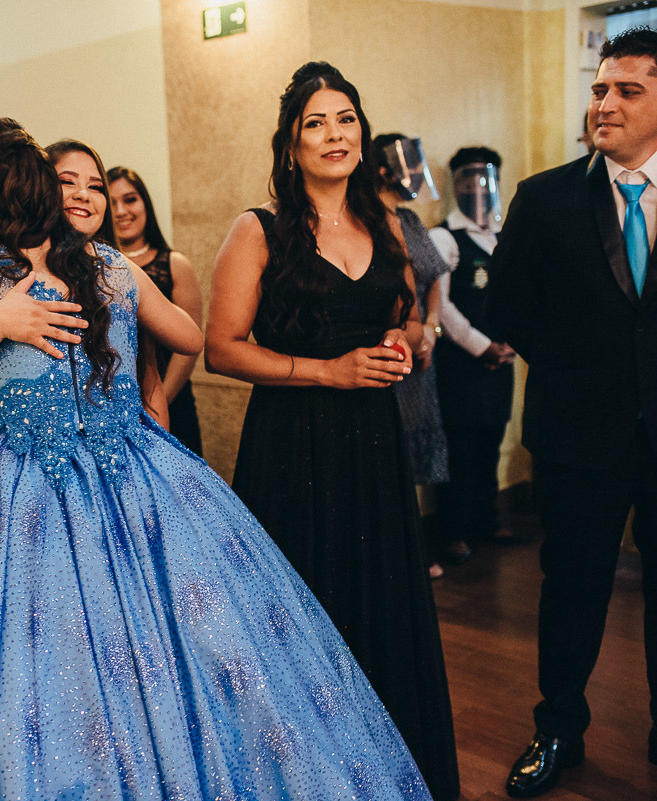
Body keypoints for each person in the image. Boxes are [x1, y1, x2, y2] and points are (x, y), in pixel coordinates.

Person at [0, 116, 431, 799]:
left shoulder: (79, 265)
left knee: (138, 648)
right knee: (76, 655)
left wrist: (118, 340)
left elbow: (187, 334)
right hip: (51, 486)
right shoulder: (1, 268)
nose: (75, 195)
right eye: (60, 181)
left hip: (99, 473)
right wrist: (2, 324)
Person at [204, 63, 459, 800]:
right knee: (303, 611)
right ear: (291, 143)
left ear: (362, 133)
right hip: (294, 445)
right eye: (315, 123)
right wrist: (329, 371)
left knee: (381, 604)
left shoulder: (387, 224)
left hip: (375, 446)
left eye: (345, 118)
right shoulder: (257, 230)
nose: (334, 134)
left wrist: (408, 339)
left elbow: (408, 316)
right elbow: (221, 348)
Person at [489, 27, 657, 798]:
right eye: (599, 88)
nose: (605, 103)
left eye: (628, 90)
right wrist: (580, 370)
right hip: (577, 433)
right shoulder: (544, 198)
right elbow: (508, 312)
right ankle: (557, 728)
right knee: (571, 590)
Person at [428, 146, 518, 567]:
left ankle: (486, 520)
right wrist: (482, 346)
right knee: (459, 449)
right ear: (456, 183)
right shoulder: (444, 237)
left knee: (490, 444)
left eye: (486, 178)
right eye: (469, 179)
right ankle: (453, 531)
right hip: (460, 364)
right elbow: (441, 305)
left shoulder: (502, 236)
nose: (478, 187)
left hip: (501, 363)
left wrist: (512, 342)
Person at [45, 139, 169, 428]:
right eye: (67, 181)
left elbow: (187, 341)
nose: (83, 194)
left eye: (95, 187)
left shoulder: (119, 271)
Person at [373, 133, 451, 581]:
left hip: (421, 351)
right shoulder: (368, 219)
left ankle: (414, 546)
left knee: (414, 451)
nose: (419, 176)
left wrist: (431, 330)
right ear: (385, 170)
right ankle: (396, 553)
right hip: (388, 347)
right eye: (413, 168)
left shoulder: (410, 219)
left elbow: (435, 275)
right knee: (388, 454)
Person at [108, 165, 203, 454]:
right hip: (112, 408)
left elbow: (189, 348)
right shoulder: (97, 268)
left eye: (130, 199)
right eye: (112, 202)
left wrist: (158, 405)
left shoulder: (174, 264)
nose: (121, 211)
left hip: (170, 399)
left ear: (145, 204)